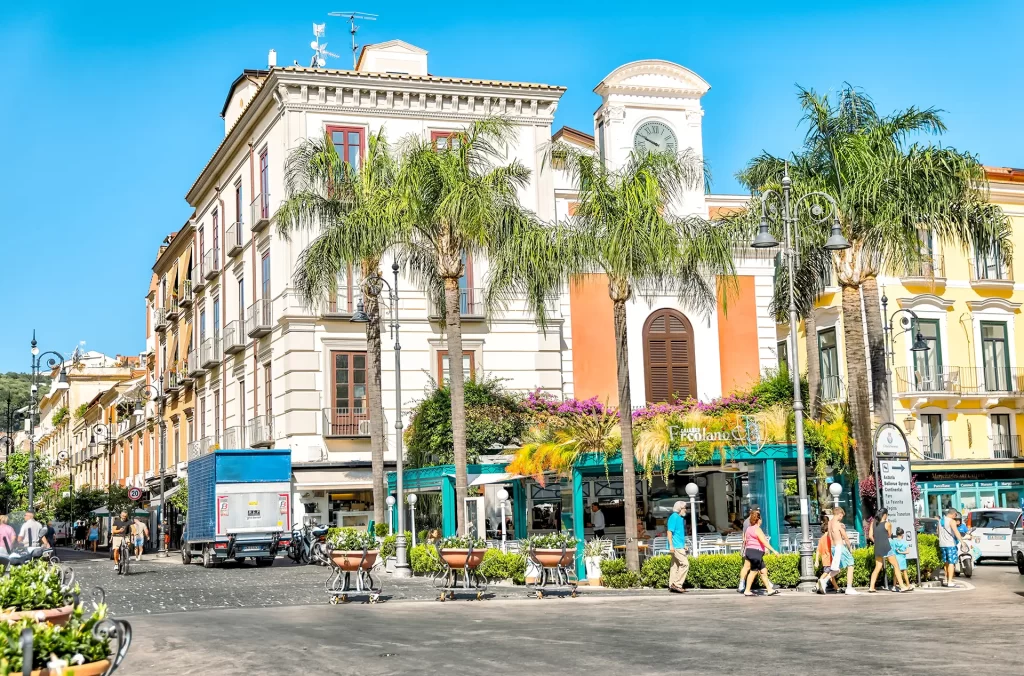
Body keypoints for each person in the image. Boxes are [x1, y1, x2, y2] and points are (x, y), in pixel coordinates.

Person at [818, 506, 858, 594]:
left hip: (833, 548)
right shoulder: (838, 524)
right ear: (839, 514)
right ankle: (849, 588)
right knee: (851, 564)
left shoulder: (829, 523)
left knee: (837, 569)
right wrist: (849, 548)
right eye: (842, 516)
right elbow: (846, 538)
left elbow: (830, 535)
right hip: (840, 547)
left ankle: (824, 581)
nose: (841, 518)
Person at [742, 510, 780, 596]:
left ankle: (769, 589)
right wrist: (774, 551)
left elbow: (746, 540)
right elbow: (764, 542)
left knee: (763, 571)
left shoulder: (748, 529)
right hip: (756, 553)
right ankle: (747, 590)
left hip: (749, 551)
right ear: (759, 520)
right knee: (753, 571)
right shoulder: (757, 529)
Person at [868, 509, 906, 592]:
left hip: (877, 547)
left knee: (877, 567)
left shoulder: (873, 523)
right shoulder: (887, 524)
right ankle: (902, 586)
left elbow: (870, 536)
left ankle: (871, 587)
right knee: (896, 566)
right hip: (886, 547)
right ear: (884, 515)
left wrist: (876, 541)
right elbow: (889, 535)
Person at [939, 508, 969, 588]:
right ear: (953, 514)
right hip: (950, 544)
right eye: (955, 515)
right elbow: (956, 532)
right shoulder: (951, 521)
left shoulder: (940, 521)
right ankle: (950, 582)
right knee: (951, 563)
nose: (955, 517)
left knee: (946, 562)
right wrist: (962, 543)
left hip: (942, 544)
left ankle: (946, 579)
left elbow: (937, 532)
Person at [667, 501, 690, 593]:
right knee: (685, 564)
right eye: (685, 508)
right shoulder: (674, 517)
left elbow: (678, 534)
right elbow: (669, 532)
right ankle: (677, 584)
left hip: (678, 545)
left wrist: (684, 544)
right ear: (680, 509)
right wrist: (671, 545)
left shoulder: (679, 518)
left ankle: (672, 584)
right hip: (676, 546)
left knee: (675, 565)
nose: (686, 510)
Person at [736, 506, 760, 594]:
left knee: (750, 567)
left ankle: (742, 585)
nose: (758, 512)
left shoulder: (749, 521)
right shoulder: (749, 522)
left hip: (749, 547)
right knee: (754, 567)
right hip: (752, 548)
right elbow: (746, 536)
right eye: (757, 510)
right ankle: (743, 586)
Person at [813, 520, 840, 593]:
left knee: (831, 574)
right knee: (827, 573)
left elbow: (818, 550)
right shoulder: (829, 537)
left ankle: (837, 588)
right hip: (830, 558)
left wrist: (817, 560)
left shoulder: (821, 539)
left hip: (825, 558)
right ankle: (817, 586)